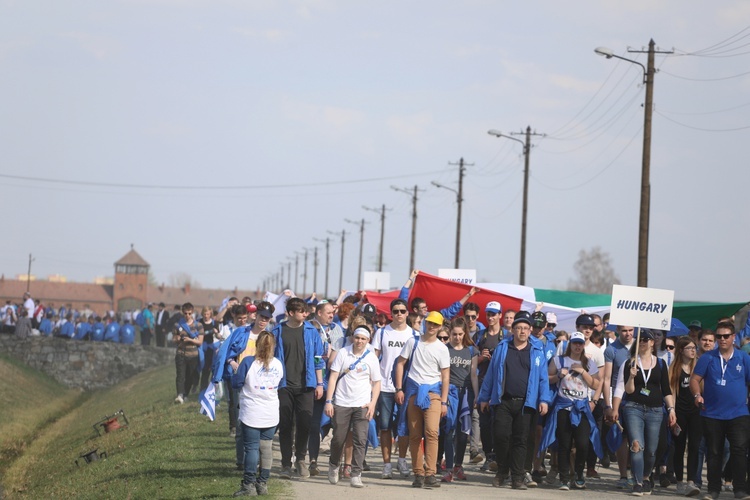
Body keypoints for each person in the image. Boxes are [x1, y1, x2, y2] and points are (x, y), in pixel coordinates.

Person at [477, 310, 551, 490]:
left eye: (526, 328)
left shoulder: (536, 350)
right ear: (513, 330)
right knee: (501, 436)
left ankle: (517, 477)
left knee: (521, 440)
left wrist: (544, 400)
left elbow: (543, 378)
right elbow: (491, 375)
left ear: (530, 329)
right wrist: (484, 397)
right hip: (503, 401)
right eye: (519, 328)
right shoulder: (503, 348)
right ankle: (502, 470)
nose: (522, 332)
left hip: (527, 403)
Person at [690, 321, 750, 500]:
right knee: (714, 452)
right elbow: (694, 380)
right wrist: (697, 395)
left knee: (739, 451)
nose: (722, 339)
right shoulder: (708, 358)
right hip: (712, 413)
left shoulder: (743, 358)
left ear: (733, 337)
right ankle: (713, 489)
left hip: (739, 413)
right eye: (719, 336)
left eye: (726, 336)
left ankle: (739, 489)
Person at [613, 330, 676, 496]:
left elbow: (667, 390)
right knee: (636, 445)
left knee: (651, 450)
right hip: (634, 408)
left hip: (655, 410)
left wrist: (671, 409)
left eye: (646, 339)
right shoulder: (629, 363)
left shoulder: (661, 363)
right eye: (640, 339)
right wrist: (631, 377)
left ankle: (646, 476)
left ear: (652, 343)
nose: (643, 342)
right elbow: (628, 390)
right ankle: (638, 482)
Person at [393, 310, 450, 489]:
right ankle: (418, 473)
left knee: (432, 432)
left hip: (433, 393)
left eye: (435, 324)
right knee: (415, 435)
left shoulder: (442, 348)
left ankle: (430, 473)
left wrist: (443, 402)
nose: (431, 326)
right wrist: (399, 388)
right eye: (429, 323)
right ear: (425, 323)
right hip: (413, 392)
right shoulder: (413, 341)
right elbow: (400, 363)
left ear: (440, 326)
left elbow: (446, 376)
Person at [272, 297, 325, 480]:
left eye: (306, 311)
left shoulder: (311, 331)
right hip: (283, 385)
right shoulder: (278, 331)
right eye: (301, 311)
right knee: (285, 425)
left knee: (305, 423)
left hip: (306, 385)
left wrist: (319, 383)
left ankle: (301, 459)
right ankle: (286, 464)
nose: (305, 313)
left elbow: (319, 359)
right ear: (291, 313)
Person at [541, 331, 601, 490]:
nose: (577, 346)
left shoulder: (589, 363)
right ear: (570, 344)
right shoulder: (559, 360)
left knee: (582, 444)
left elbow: (596, 384)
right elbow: (546, 378)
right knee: (564, 444)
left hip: (581, 408)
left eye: (580, 343)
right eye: (574, 343)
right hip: (563, 407)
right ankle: (564, 478)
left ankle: (579, 474)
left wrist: (583, 372)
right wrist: (558, 376)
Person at [324, 326, 381, 488]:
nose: (360, 341)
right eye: (357, 338)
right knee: (338, 439)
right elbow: (334, 376)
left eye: (363, 339)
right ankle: (334, 465)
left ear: (368, 340)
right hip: (342, 402)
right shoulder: (343, 352)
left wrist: (372, 403)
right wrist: (329, 401)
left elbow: (377, 383)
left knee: (360, 440)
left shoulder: (371, 357)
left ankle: (356, 474)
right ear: (353, 337)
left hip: (362, 404)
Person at [230, 331, 283, 497]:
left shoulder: (248, 362)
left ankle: (249, 484)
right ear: (273, 346)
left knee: (251, 448)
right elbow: (281, 384)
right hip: (271, 412)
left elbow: (236, 383)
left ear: (256, 345)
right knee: (266, 448)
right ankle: (263, 483)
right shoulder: (278, 364)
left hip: (252, 412)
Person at [371, 298, 417, 479]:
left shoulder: (414, 335)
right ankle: (387, 464)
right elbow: (374, 359)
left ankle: (402, 460)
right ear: (391, 313)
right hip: (384, 387)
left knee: (404, 428)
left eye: (402, 311)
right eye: (396, 311)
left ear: (407, 313)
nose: (399, 314)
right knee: (384, 427)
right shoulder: (382, 333)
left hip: (407, 387)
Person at [439, 317, 479, 483]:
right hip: (450, 392)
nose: (457, 337)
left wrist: (477, 395)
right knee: (448, 430)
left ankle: (458, 465)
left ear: (465, 333)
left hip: (466, 393)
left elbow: (474, 374)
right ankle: (448, 468)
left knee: (463, 432)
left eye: (460, 334)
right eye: (454, 334)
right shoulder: (444, 349)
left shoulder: (471, 351)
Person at [308, 301, 345, 476]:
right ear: (319, 312)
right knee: (314, 423)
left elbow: (335, 358)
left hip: (333, 382)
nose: (331, 315)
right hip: (314, 381)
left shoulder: (337, 330)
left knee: (338, 424)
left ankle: (338, 463)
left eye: (333, 312)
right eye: (328, 312)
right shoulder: (309, 328)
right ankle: (312, 460)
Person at [603, 325, 636, 490]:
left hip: (638, 399)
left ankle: (638, 474)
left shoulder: (640, 346)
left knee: (636, 438)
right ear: (618, 330)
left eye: (631, 330)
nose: (628, 333)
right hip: (619, 399)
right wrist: (608, 405)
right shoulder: (611, 349)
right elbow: (607, 378)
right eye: (624, 330)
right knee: (622, 438)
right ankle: (623, 475)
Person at [474, 300, 504, 472]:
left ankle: (499, 457)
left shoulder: (506, 336)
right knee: (484, 423)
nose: (491, 317)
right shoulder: (480, 335)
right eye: (489, 314)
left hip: (499, 385)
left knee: (499, 423)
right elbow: (472, 363)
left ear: (500, 315)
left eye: (494, 314)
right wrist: (481, 358)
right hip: (483, 382)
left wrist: (497, 359)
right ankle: (488, 456)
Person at [670, 336, 702, 497]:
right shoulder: (674, 369)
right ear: (681, 350)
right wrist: (672, 411)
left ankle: (691, 481)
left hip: (696, 412)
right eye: (689, 348)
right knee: (679, 447)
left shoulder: (698, 368)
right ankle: (680, 482)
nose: (693, 350)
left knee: (695, 447)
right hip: (680, 412)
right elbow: (672, 391)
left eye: (694, 348)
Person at [173, 302, 204, 404]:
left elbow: (200, 341)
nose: (187, 316)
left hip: (193, 355)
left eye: (189, 313)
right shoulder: (178, 325)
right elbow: (174, 339)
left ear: (192, 313)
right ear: (182, 313)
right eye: (185, 313)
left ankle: (185, 394)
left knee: (190, 376)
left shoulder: (198, 325)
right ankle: (179, 395)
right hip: (181, 353)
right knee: (180, 375)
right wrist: (177, 339)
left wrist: (189, 340)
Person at [199, 306, 220, 392]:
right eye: (204, 314)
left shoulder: (214, 323)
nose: (206, 316)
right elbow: (199, 333)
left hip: (212, 347)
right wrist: (210, 331)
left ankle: (212, 389)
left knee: (212, 367)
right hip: (202, 346)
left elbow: (218, 335)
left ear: (210, 314)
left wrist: (217, 333)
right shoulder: (199, 323)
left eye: (208, 314)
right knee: (204, 368)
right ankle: (203, 389)